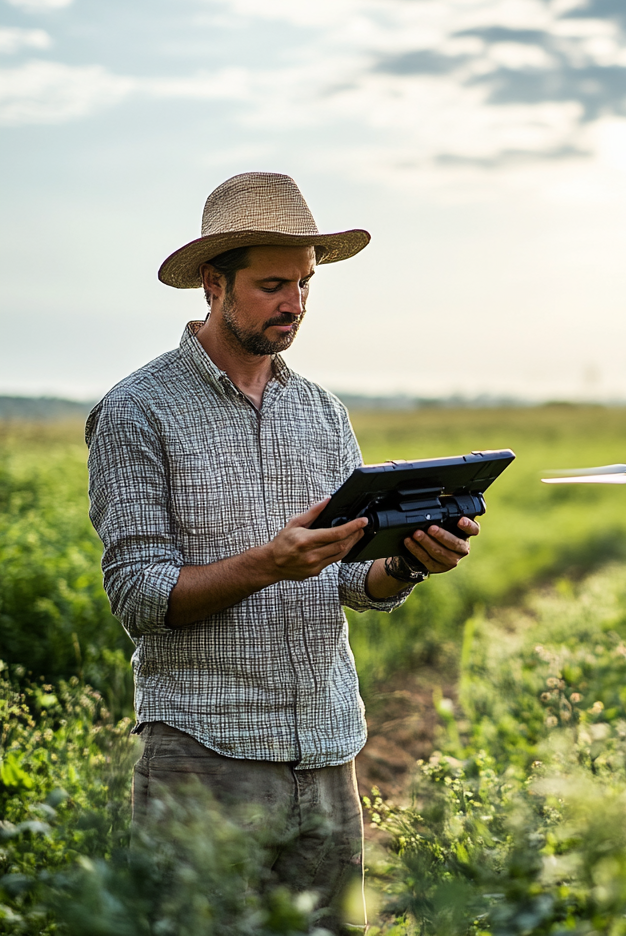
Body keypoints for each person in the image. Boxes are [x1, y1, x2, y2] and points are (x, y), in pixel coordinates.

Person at [85, 172, 478, 931]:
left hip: (328, 750)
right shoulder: (136, 412)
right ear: (213, 284)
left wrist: (405, 566)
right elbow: (139, 598)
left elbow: (352, 579)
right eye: (271, 284)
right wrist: (271, 561)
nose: (294, 302)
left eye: (303, 283)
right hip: (203, 757)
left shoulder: (322, 412)